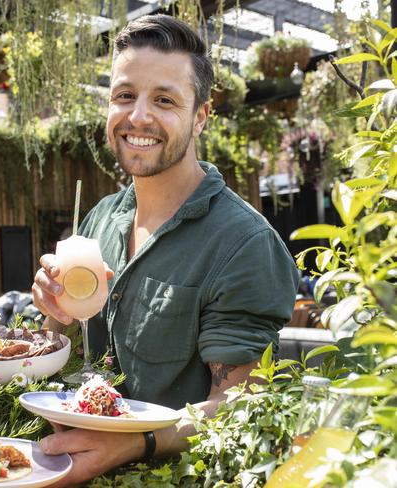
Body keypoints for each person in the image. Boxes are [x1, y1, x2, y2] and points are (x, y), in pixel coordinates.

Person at [31, 14, 300, 486]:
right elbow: (67, 354)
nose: (138, 117)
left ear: (200, 116)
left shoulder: (243, 244)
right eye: (124, 95)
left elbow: (243, 405)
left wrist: (139, 441)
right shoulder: (99, 220)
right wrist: (55, 314)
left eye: (164, 100)